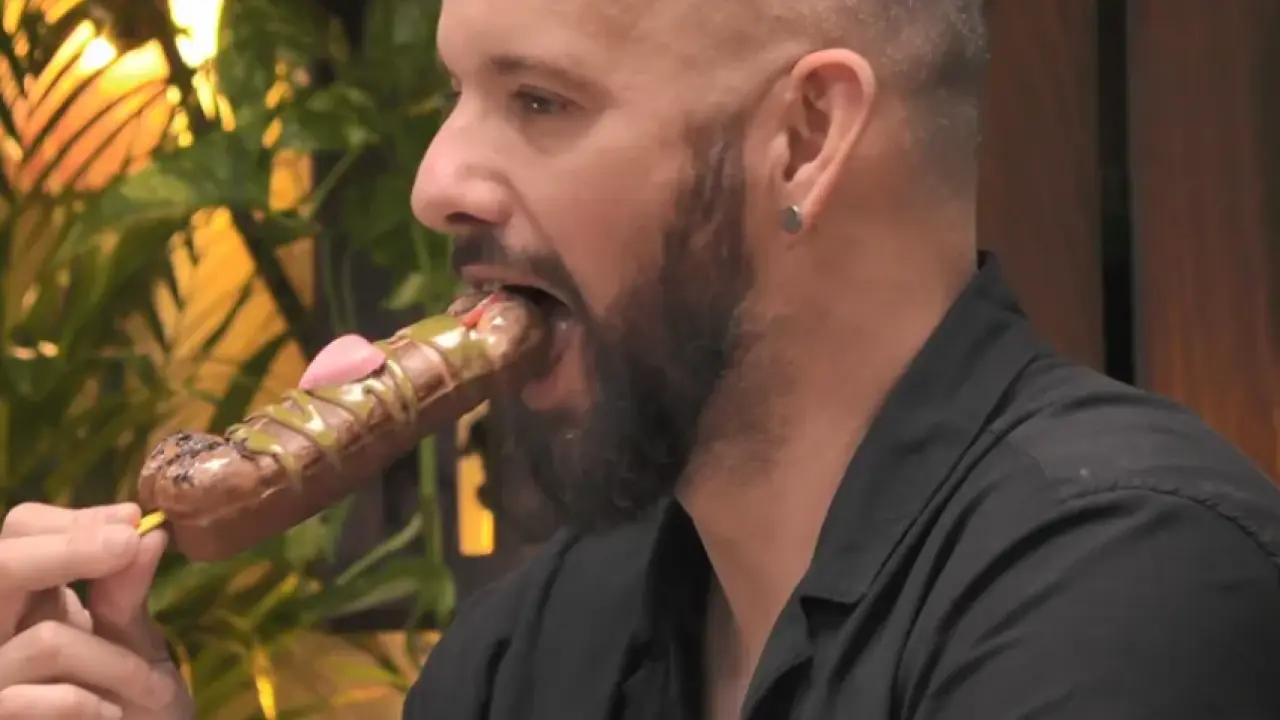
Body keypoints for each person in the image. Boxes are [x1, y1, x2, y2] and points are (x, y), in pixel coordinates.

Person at [5, 0, 1280, 717]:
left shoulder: (1130, 586)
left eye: (539, 100)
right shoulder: (527, 652)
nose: (436, 180)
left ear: (805, 139)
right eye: (454, 96)